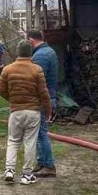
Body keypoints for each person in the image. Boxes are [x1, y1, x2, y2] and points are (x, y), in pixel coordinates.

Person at [0, 41, 51, 185]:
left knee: (13, 141)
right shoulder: (37, 69)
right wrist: (48, 110)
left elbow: (0, 90)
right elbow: (43, 93)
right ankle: (27, 175)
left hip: (15, 111)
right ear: (30, 53)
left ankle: (9, 170)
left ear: (18, 52)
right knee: (30, 142)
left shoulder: (7, 69)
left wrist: (13, 99)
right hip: (33, 112)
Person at [27, 29, 58, 177]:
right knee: (39, 133)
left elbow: (37, 80)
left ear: (31, 41)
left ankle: (49, 166)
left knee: (41, 134)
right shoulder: (48, 51)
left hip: (42, 99)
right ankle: (42, 161)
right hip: (48, 97)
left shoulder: (41, 56)